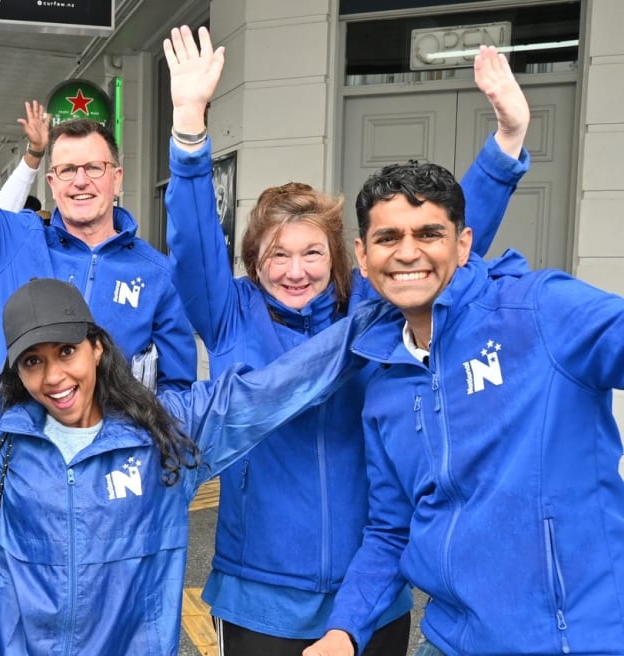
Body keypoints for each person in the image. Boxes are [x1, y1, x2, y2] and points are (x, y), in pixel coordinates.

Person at [162, 26, 531, 655]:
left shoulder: (368, 309)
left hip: (371, 588)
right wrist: (191, 127)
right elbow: (195, 242)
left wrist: (505, 145)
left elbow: (440, 243)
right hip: (260, 595)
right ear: (253, 260)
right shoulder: (229, 315)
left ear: (343, 256)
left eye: (313, 252)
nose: (296, 270)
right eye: (278, 255)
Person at [0, 276, 382, 655]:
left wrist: (387, 312)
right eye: (32, 362)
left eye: (66, 351)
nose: (54, 377)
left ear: (97, 348)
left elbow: (278, 385)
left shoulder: (166, 434)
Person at [300, 158, 624, 656]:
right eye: (388, 238)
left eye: (429, 233)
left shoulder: (538, 310)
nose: (408, 253)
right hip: (449, 642)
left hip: (574, 641)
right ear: (363, 257)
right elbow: (392, 530)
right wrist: (343, 632)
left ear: (463, 244)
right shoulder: (384, 383)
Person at [0, 0, 197, 393]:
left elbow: (177, 390)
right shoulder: (13, 241)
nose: (81, 181)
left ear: (117, 178)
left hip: (114, 450)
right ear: (52, 183)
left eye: (94, 168)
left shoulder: (156, 273)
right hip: (20, 448)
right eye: (68, 170)